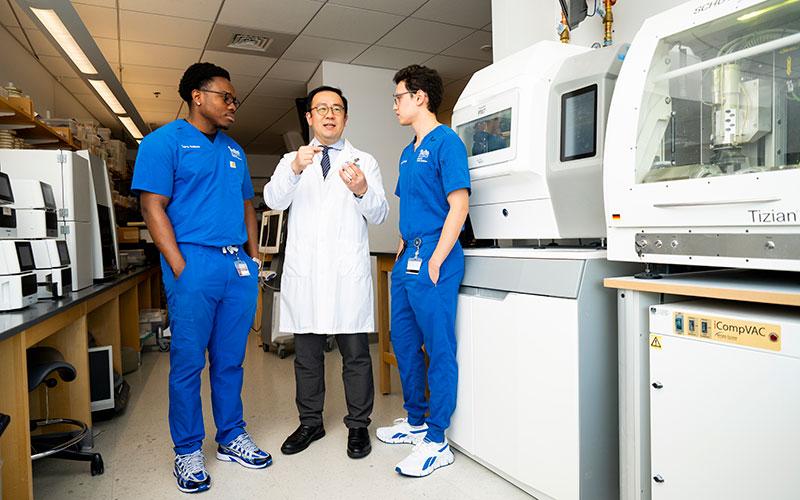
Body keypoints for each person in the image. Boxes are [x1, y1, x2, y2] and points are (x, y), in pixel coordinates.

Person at [133, 62, 271, 494]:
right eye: (225, 97)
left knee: (230, 360)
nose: (233, 105)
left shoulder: (234, 150)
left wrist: (254, 259)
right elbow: (152, 206)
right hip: (193, 263)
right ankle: (188, 449)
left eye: (235, 99)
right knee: (189, 363)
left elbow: (248, 206)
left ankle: (231, 436)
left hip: (237, 268)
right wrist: (178, 266)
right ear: (197, 96)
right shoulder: (162, 143)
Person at [263, 86, 388, 460]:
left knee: (356, 356)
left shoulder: (363, 160)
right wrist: (296, 169)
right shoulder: (291, 160)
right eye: (322, 108)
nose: (329, 114)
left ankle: (358, 426)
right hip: (307, 276)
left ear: (345, 118)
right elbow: (273, 200)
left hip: (346, 275)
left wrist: (363, 189)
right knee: (307, 357)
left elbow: (380, 214)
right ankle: (310, 423)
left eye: (336, 109)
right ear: (310, 117)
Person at [376, 65, 470, 477]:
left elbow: (459, 205)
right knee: (404, 340)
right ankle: (415, 421)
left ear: (420, 98)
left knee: (438, 345)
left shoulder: (447, 142)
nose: (395, 104)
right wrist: (402, 245)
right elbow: (409, 202)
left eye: (399, 96)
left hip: (436, 253)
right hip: (408, 253)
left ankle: (437, 439)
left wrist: (436, 257)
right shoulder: (407, 150)